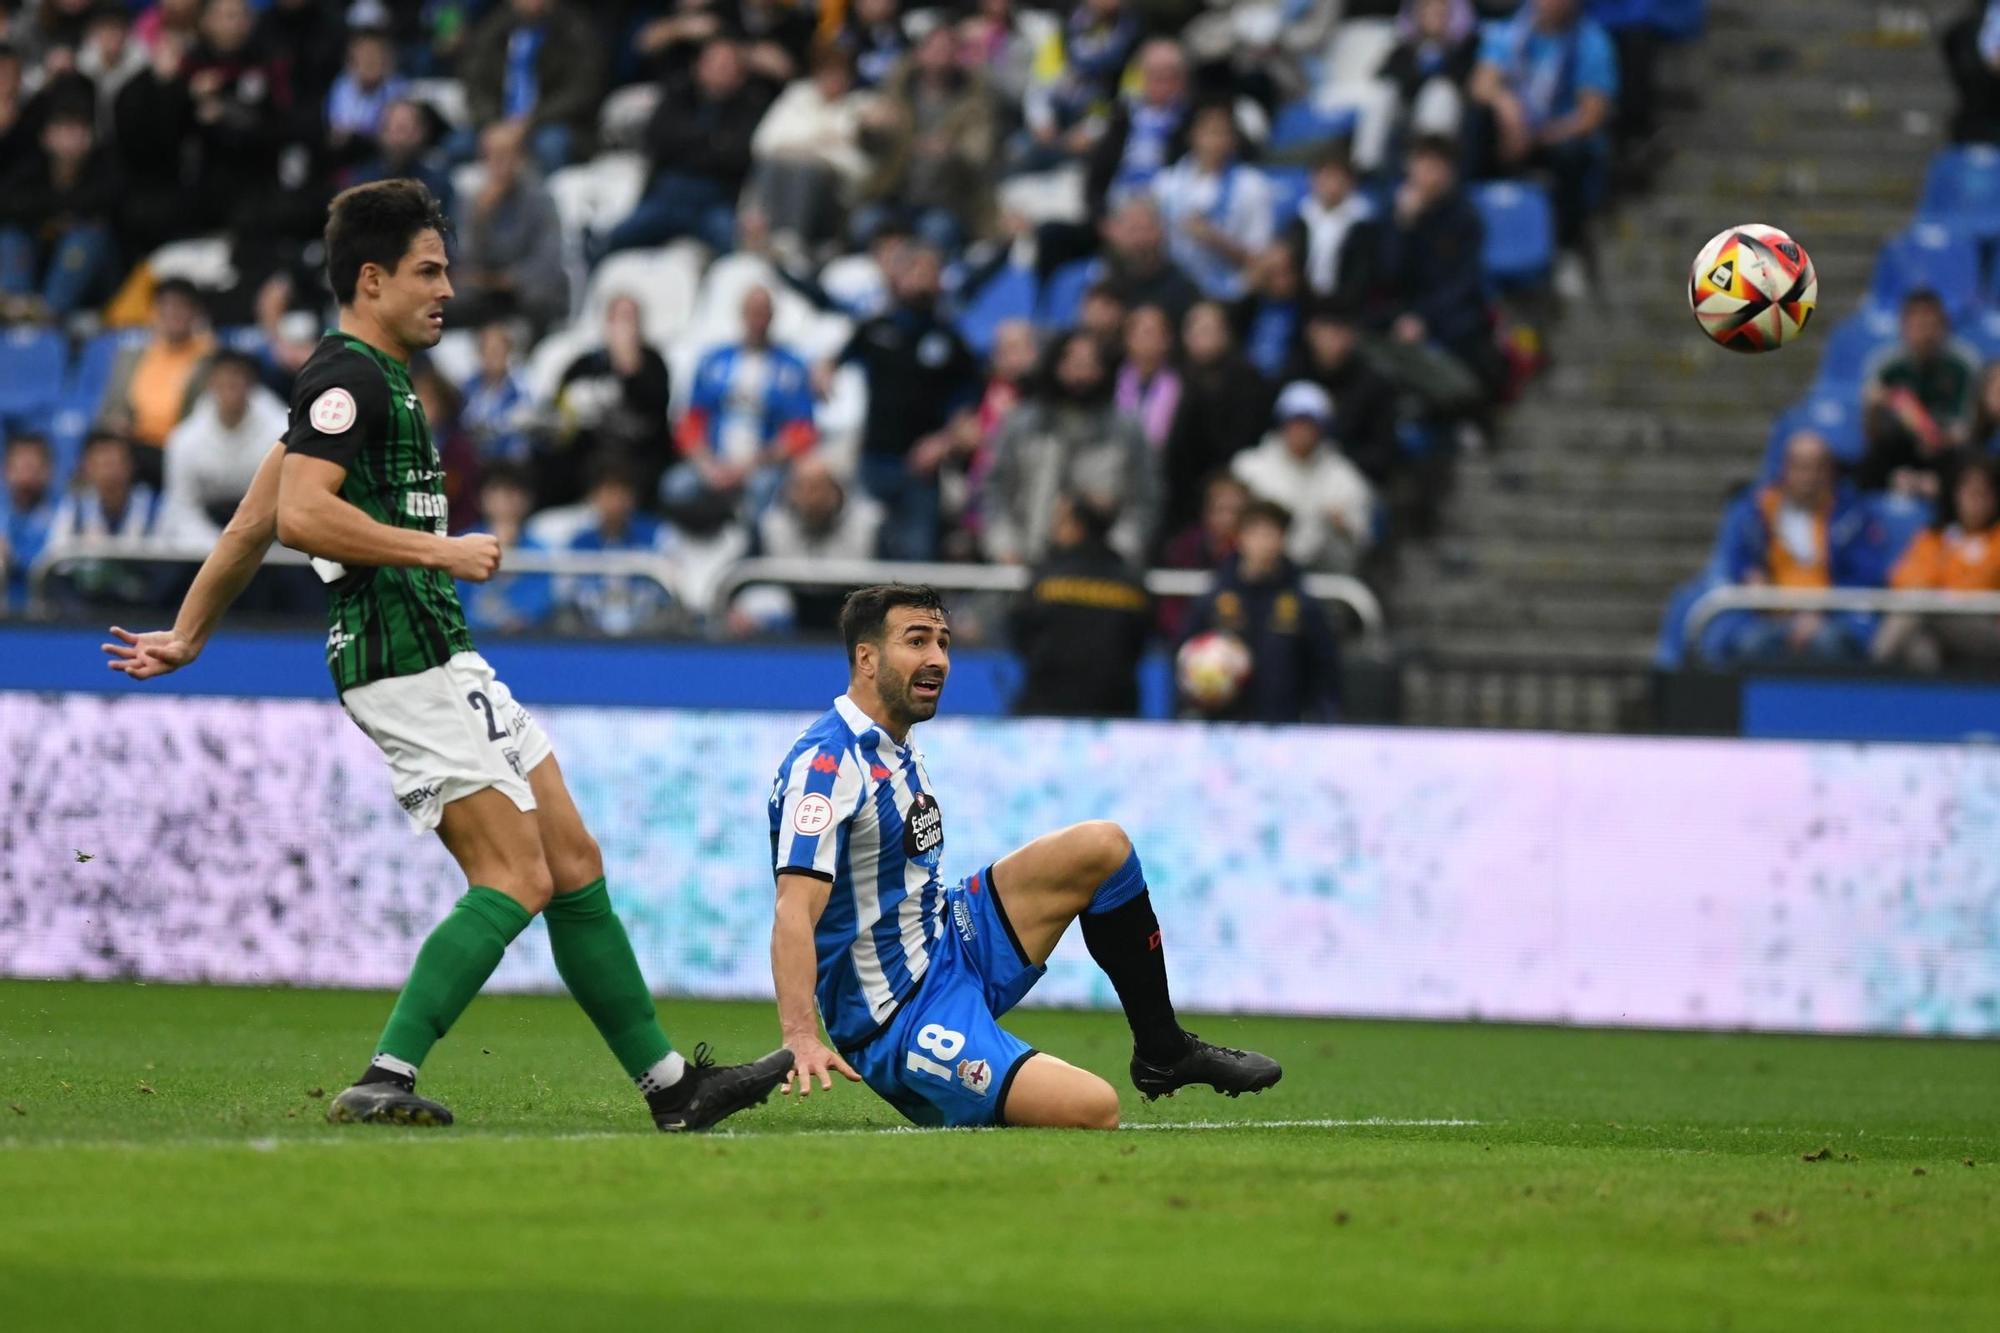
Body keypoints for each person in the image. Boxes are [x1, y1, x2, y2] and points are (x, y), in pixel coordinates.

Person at [104, 179, 790, 1132]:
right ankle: (386, 1073)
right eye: (429, 272)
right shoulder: (344, 379)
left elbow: (259, 513)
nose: (447, 290)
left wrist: (187, 633)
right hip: (398, 661)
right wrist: (441, 548)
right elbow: (303, 517)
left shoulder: (372, 380)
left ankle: (673, 1086)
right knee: (516, 875)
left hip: (444, 654)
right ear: (372, 279)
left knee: (572, 859)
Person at [768, 583, 1281, 1129]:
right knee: (1094, 1109)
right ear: (866, 659)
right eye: (916, 642)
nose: (937, 659)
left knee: (1102, 848)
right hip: (898, 1016)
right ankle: (953, 1075)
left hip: (948, 937)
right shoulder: (825, 768)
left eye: (942, 642)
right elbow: (793, 910)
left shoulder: (893, 739)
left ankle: (1164, 1050)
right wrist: (799, 1035)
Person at [826, 243, 981, 561]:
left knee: (915, 561)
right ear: (898, 278)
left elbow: (971, 402)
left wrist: (943, 441)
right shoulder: (876, 328)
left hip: (919, 468)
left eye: (930, 272)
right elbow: (835, 359)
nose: (922, 279)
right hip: (873, 460)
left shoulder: (951, 339)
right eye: (915, 271)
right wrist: (824, 372)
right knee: (863, 556)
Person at [982, 331, 1156, 567]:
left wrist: (1117, 554)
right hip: (1023, 565)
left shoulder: (1127, 432)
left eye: (1090, 364)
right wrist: (1004, 546)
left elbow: (1144, 501)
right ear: (1054, 365)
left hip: (1102, 573)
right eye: (1072, 363)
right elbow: (994, 492)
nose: (1080, 374)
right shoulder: (1021, 425)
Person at [1467, 0, 1618, 271]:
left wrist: (1539, 137)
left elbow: (1591, 116)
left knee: (1574, 153)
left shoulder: (1591, 42)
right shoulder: (1511, 32)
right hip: (1511, 135)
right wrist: (1507, 107)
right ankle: (1470, 224)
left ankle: (1565, 246)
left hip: (1555, 138)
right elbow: (1481, 84)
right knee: (1477, 119)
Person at [1709, 431, 1880, 664]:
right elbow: (1739, 562)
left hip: (1832, 618)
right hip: (1769, 617)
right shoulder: (1758, 511)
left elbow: (1863, 577)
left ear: (1829, 472)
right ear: (1785, 469)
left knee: (1828, 643)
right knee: (1750, 643)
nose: (1808, 477)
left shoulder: (1852, 517)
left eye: (1816, 468)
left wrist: (1824, 613)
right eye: (1800, 467)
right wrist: (1751, 577)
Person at [600, 38, 774, 258]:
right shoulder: (676, 94)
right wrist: (713, 143)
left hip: (715, 199)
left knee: (737, 252)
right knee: (614, 240)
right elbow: (658, 140)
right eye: (713, 63)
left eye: (727, 65)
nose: (719, 70)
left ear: (740, 75)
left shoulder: (751, 106)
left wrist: (691, 144)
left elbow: (738, 156)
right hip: (667, 195)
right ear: (699, 65)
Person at [1182, 500, 1341, 723]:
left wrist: (1320, 714)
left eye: (1271, 535)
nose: (1264, 544)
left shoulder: (1300, 600)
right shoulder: (1216, 596)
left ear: (1282, 540)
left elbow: (1324, 665)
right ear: (1241, 539)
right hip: (1224, 725)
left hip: (1284, 725)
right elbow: (1186, 650)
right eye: (1256, 534)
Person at [668, 285, 817, 519]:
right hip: (713, 462)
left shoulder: (792, 367)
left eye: (762, 312)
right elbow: (690, 421)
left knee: (763, 490)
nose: (757, 320)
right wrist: (706, 464)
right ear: (741, 314)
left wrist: (753, 464)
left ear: (772, 316)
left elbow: (802, 431)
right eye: (752, 312)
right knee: (676, 487)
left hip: (763, 466)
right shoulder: (712, 362)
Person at [1375, 134, 1492, 413]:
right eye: (1422, 164)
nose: (1428, 174)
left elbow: (1463, 283)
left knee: (1465, 331)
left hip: (1447, 317)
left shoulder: (1465, 218)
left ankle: (1455, 402)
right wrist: (1404, 227)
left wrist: (1424, 319)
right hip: (1399, 313)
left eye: (1436, 166)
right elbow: (1387, 275)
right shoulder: (1394, 213)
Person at [858, 22, 998, 251]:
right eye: (934, 48)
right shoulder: (897, 91)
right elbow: (869, 147)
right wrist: (869, 129)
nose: (940, 55)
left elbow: (979, 155)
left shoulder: (974, 102)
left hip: (948, 201)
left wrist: (951, 150)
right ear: (919, 52)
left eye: (948, 49)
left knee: (937, 233)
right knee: (864, 224)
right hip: (895, 194)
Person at [1010, 494, 1152, 718]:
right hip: (1114, 713)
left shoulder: (1046, 578)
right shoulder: (1131, 582)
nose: (1054, 529)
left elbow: (1019, 633)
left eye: (1060, 521)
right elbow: (1141, 642)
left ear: (1077, 527)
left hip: (1046, 713)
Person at [1232, 381, 1375, 574]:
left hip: (1321, 579)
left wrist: (1343, 526)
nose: (1301, 431)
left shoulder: (1344, 477)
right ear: (1282, 422)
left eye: (1309, 423)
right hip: (1257, 574)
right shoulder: (1248, 468)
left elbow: (1362, 539)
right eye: (1295, 421)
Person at [749, 45, 878, 255]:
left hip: (833, 199)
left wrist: (805, 151)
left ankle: (791, 243)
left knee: (808, 170)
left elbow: (859, 166)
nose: (833, 80)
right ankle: (762, 236)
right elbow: (763, 143)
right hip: (780, 181)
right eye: (827, 73)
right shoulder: (796, 96)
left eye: (839, 74)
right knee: (773, 164)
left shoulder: (861, 106)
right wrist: (820, 143)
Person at [1873, 457, 2000, 670]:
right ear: (1954, 495)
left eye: (1983, 492)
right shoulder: (1934, 538)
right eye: (1968, 491)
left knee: (1920, 607)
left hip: (1989, 628)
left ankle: (1870, 674)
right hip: (1934, 618)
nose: (1975, 499)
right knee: (1920, 644)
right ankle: (1934, 701)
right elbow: (1904, 580)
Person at [0, 99, 120, 322]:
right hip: (40, 261)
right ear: (46, 137)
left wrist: (56, 214)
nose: (71, 139)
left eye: (78, 130)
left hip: (96, 273)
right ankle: (14, 303)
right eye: (64, 130)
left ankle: (50, 310)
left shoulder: (105, 168)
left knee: (86, 237)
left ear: (90, 137)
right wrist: (60, 214)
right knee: (12, 235)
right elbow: (8, 204)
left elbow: (106, 204)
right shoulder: (32, 170)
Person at [735, 454, 884, 633]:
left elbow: (890, 581)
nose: (810, 497)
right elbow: (742, 578)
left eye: (818, 487)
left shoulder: (869, 524)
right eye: (801, 487)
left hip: (849, 606)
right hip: (789, 608)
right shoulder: (771, 525)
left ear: (837, 489)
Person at [1161, 300, 1273, 540]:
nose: (1203, 337)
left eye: (1210, 329)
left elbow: (1247, 437)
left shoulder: (1247, 378)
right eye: (1196, 329)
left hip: (1232, 471)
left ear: (1226, 334)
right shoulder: (1172, 376)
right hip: (1180, 482)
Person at [94, 276, 217, 490]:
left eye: (180, 307)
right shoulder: (132, 356)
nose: (173, 314)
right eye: (165, 306)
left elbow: (205, 419)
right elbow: (108, 409)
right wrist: (117, 422)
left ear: (195, 313)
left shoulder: (210, 359)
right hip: (133, 445)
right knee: (104, 455)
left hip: (178, 449)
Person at [457, 0, 604, 177]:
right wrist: (491, 123)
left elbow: (581, 91)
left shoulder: (575, 30)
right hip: (498, 122)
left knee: (551, 146)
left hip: (552, 123)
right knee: (456, 146)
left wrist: (528, 123)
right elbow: (475, 83)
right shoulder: (494, 29)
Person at [1858, 289, 1980, 502]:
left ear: (1945, 327)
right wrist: (1873, 408)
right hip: (1901, 449)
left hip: (1946, 449)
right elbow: (1873, 433)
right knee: (1866, 465)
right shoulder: (1886, 366)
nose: (1925, 334)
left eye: (1931, 325)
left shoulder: (1963, 366)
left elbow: (1968, 428)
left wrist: (1938, 438)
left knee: (1971, 462)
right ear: (1903, 328)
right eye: (1917, 326)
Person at [552, 293, 673, 505]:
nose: (623, 328)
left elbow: (655, 409)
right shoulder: (584, 365)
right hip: (591, 454)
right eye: (618, 319)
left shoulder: (653, 363)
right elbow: (560, 411)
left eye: (630, 319)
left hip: (639, 455)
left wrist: (628, 366)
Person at [451, 120, 570, 335]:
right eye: (492, 156)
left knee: (541, 297)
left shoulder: (540, 198)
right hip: (487, 292)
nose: (500, 163)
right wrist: (480, 219)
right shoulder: (472, 200)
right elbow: (466, 258)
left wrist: (510, 279)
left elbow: (548, 259)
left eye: (506, 155)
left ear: (521, 158)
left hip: (525, 289)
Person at [160, 348, 290, 544]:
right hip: (204, 540)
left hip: (268, 537)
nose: (230, 386)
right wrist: (218, 546)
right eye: (223, 379)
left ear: (251, 383)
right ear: (210, 383)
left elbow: (290, 500)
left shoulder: (282, 433)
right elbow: (182, 507)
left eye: (238, 378)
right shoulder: (184, 439)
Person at [1151, 102, 1273, 303]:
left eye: (1222, 133)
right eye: (1208, 132)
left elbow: (1259, 258)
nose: (1214, 141)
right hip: (1173, 286)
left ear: (1234, 140)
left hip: (1231, 288)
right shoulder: (1166, 184)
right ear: (1193, 136)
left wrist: (1215, 240)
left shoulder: (1252, 185)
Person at [45, 429, 167, 610]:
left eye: (115, 463)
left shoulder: (154, 506)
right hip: (88, 599)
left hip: (140, 600)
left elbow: (165, 556)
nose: (109, 473)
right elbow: (55, 554)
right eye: (101, 464)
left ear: (130, 466)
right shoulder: (75, 506)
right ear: (87, 468)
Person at [556, 455, 677, 637]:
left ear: (633, 496)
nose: (616, 501)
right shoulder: (577, 544)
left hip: (647, 639)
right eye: (608, 492)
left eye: (622, 492)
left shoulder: (658, 536)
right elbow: (565, 597)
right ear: (593, 496)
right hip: (589, 640)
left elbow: (670, 592)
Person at [1082, 37, 1190, 214]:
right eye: (1154, 76)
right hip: (1119, 205)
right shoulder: (1122, 117)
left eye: (1170, 76)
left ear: (1183, 79)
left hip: (1167, 208)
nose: (1162, 84)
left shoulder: (1193, 119)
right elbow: (1098, 174)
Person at [456, 461, 554, 635]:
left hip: (520, 644)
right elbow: (452, 599)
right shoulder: (462, 542)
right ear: (481, 498)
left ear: (527, 499)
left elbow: (540, 604)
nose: (504, 499)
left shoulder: (538, 551)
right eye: (496, 490)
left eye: (512, 491)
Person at [1284, 148, 1380, 308]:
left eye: (1338, 177)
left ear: (1351, 182)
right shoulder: (1300, 219)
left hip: (1348, 307)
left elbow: (1362, 276)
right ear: (1313, 180)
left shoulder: (1364, 225)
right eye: (1326, 176)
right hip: (1301, 303)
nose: (1332, 184)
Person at [1379, 0, 1481, 135]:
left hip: (1449, 112)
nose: (1434, 16)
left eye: (1440, 12)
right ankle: (1368, 156)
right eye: (1429, 10)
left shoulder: (1463, 49)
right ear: (1418, 15)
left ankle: (1430, 152)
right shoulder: (1405, 50)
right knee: (1383, 93)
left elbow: (1464, 81)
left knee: (1438, 92)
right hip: (1406, 108)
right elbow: (1384, 76)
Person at [461, 321, 538, 469]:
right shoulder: (468, 387)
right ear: (480, 354)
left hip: (512, 463)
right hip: (476, 462)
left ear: (508, 353)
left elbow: (524, 425)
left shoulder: (521, 387)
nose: (494, 357)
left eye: (499, 351)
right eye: (489, 351)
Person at [2, 432, 57, 613]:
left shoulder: (65, 510)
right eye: (20, 466)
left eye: (33, 466)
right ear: (6, 470)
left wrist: (13, 556)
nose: (26, 474)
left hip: (51, 613)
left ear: (48, 470)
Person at [1114, 304, 1181, 453]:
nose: (1149, 341)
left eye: (1156, 333)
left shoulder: (1182, 385)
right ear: (1127, 338)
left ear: (1167, 340)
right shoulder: (1109, 379)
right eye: (1144, 333)